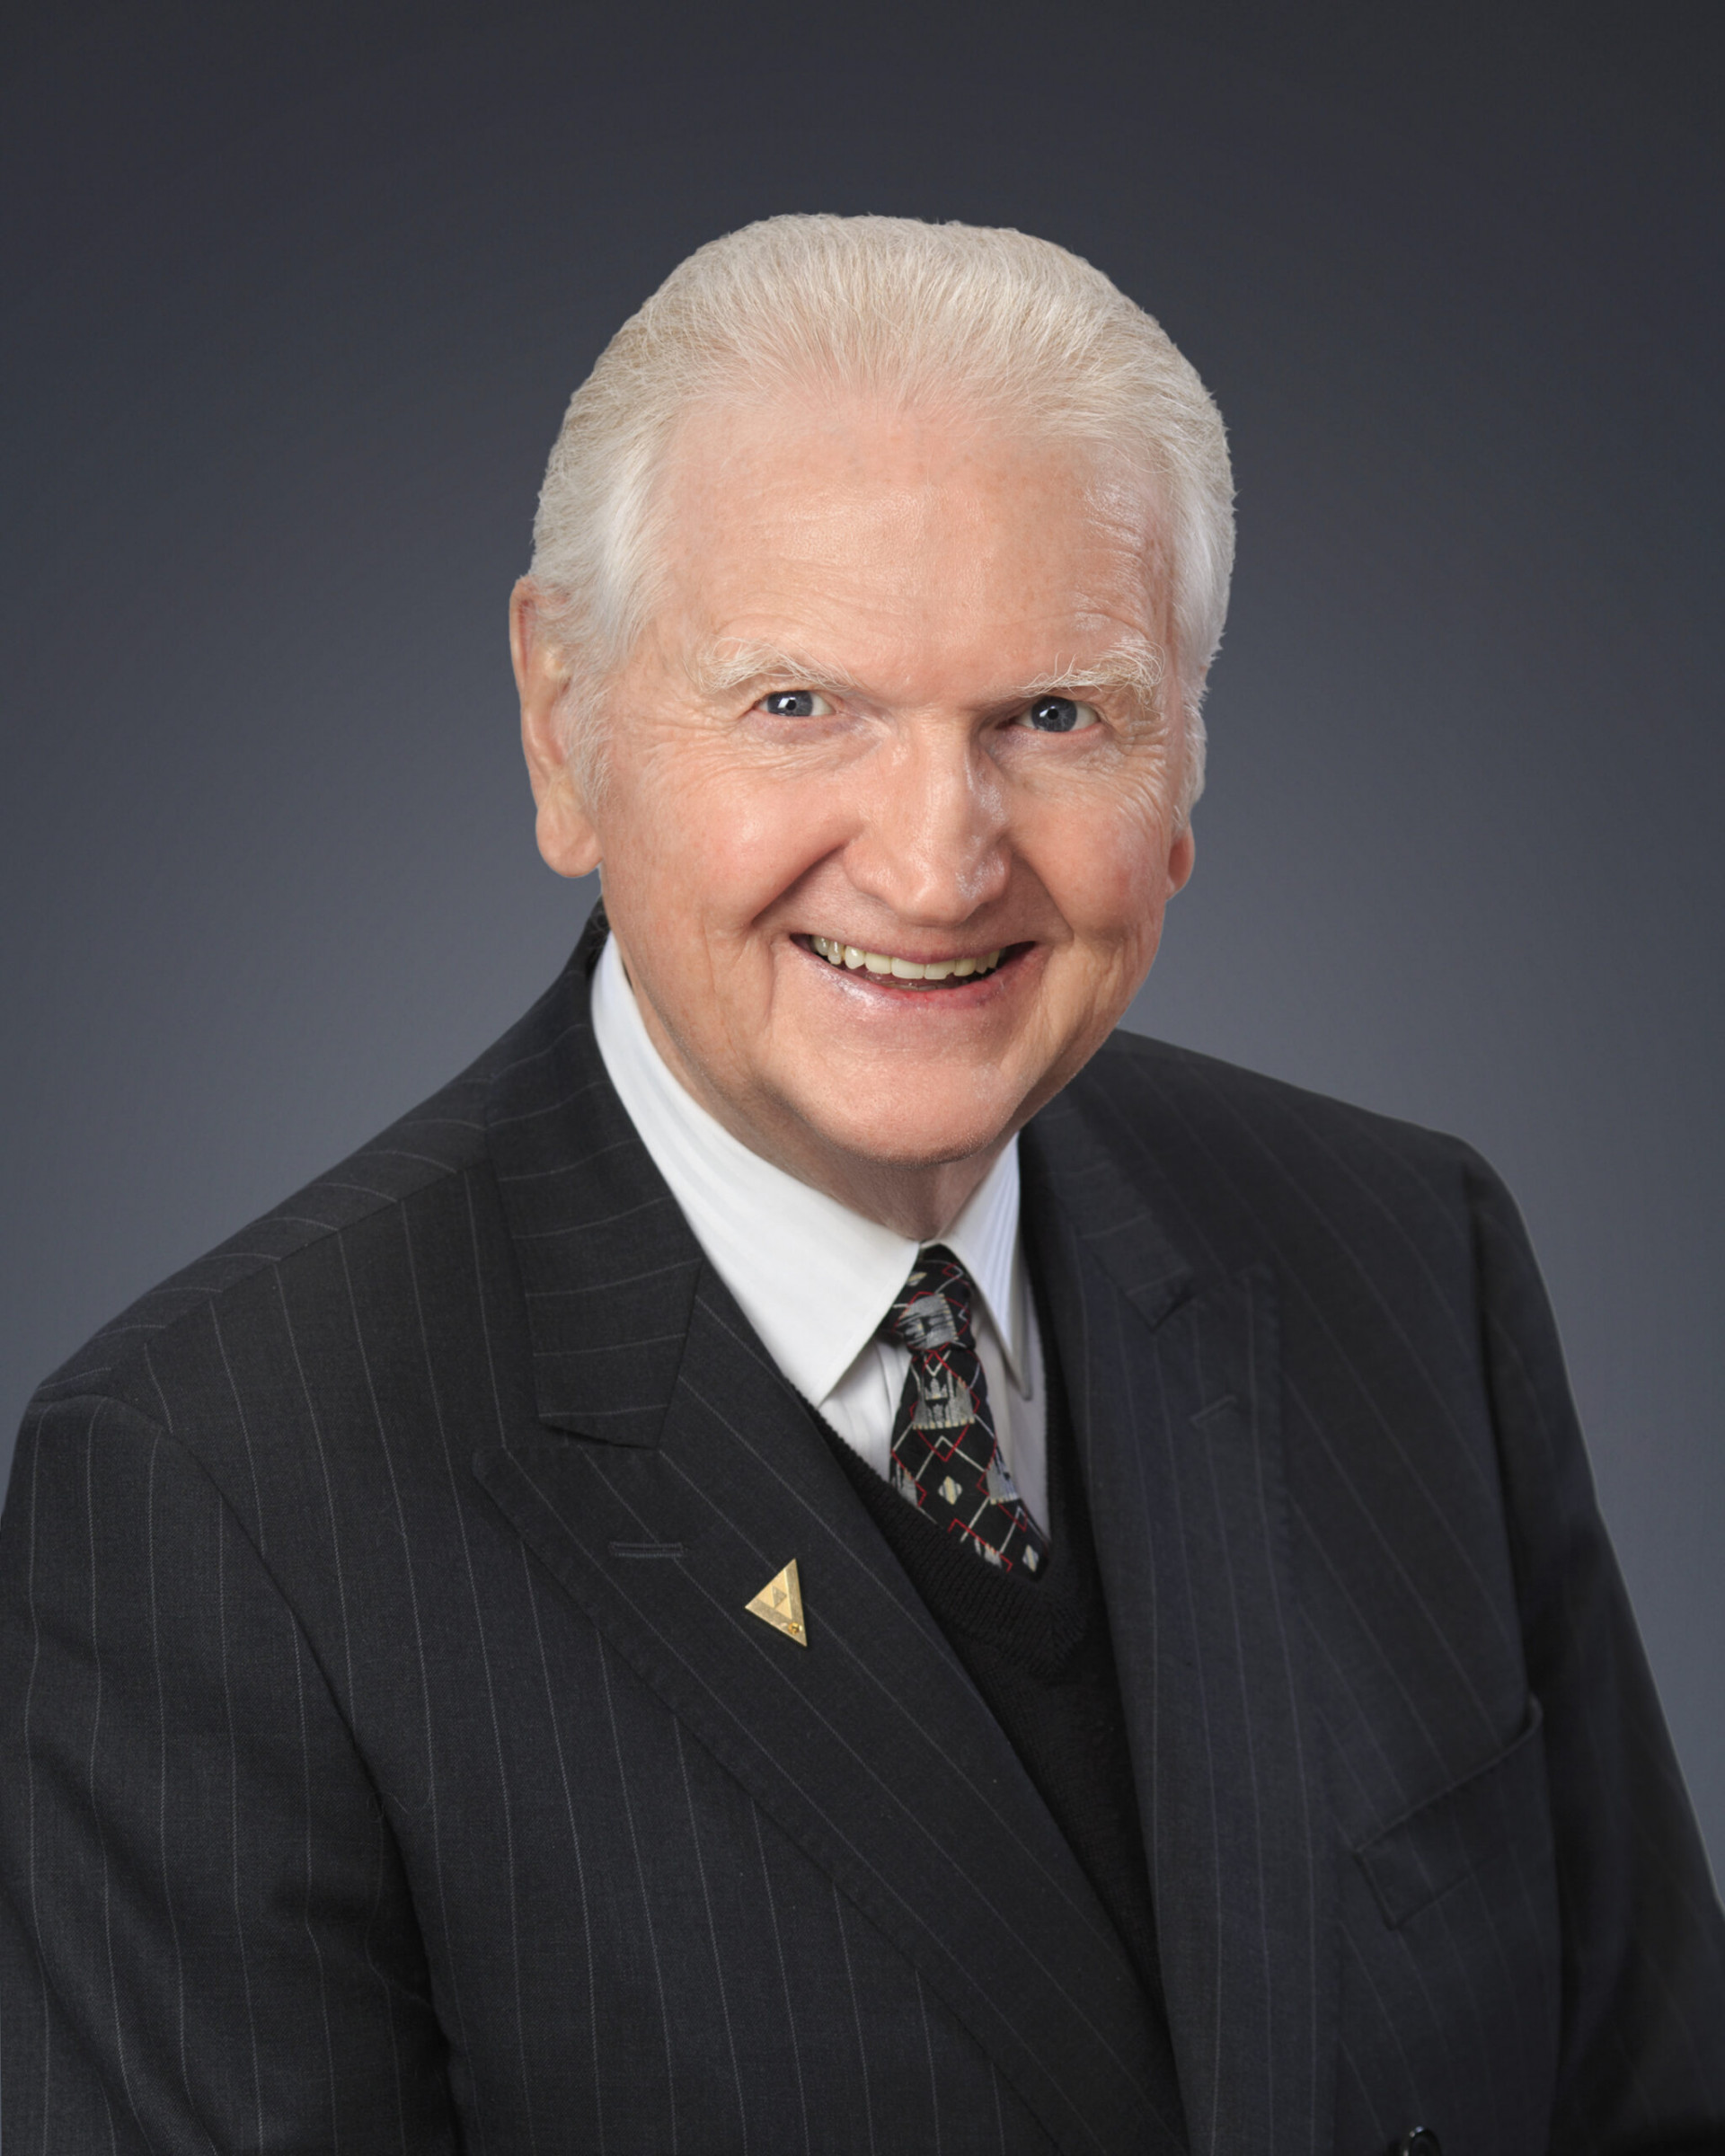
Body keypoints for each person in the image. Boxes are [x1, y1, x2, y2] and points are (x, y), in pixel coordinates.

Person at [2, 214, 1721, 2156]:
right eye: (800, 705)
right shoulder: (218, 1491)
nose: (933, 865)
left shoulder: (1400, 1259)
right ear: (564, 725)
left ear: (1184, 770)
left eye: (1053, 716)